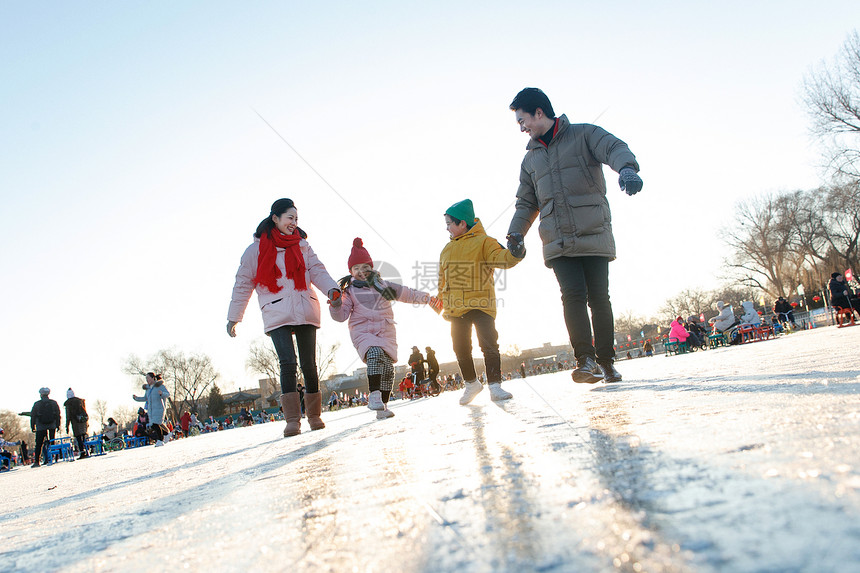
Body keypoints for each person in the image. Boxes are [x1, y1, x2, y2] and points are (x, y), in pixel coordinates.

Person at [506, 88, 643, 384]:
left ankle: (607, 362)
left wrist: (627, 170)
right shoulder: (530, 161)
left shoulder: (584, 134)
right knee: (572, 296)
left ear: (539, 112)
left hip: (592, 229)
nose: (522, 127)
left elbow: (614, 148)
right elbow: (526, 203)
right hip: (557, 239)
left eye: (522, 120)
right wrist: (516, 233)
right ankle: (586, 360)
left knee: (599, 298)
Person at [227, 198, 341, 437]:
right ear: (275, 218)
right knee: (288, 363)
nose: (294, 223)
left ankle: (314, 415)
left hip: (304, 306)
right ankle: (292, 420)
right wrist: (234, 317)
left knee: (309, 364)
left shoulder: (302, 245)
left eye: (297, 219)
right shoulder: (254, 251)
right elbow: (243, 284)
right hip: (276, 309)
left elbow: (317, 270)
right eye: (290, 218)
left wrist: (332, 289)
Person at [330, 238, 440, 420]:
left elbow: (406, 293)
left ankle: (383, 407)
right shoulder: (348, 292)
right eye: (356, 268)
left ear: (371, 268)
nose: (361, 272)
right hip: (362, 332)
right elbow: (340, 315)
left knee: (388, 369)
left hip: (386, 331)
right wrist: (335, 304)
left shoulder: (383, 285)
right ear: (350, 271)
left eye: (365, 267)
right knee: (374, 354)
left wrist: (427, 298)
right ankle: (374, 395)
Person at [439, 199, 523, 404]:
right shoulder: (446, 250)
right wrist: (440, 301)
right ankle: (471, 384)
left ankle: (495, 386)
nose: (447, 228)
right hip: (456, 308)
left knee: (488, 344)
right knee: (460, 348)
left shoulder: (484, 242)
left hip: (481, 304)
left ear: (462, 224)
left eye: (450, 223)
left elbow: (503, 258)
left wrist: (516, 252)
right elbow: (443, 280)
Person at [132, 372, 170, 446]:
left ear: (153, 378)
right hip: (151, 410)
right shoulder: (148, 389)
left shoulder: (160, 386)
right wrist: (136, 398)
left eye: (149, 378)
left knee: (156, 424)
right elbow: (145, 398)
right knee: (152, 425)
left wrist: (162, 393)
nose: (147, 380)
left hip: (159, 408)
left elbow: (167, 394)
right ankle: (166, 433)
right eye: (146, 379)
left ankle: (160, 440)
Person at [30, 387, 60, 468]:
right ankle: (54, 457)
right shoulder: (54, 403)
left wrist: (33, 426)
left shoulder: (37, 404)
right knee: (52, 441)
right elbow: (57, 414)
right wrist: (58, 424)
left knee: (39, 443)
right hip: (52, 425)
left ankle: (37, 461)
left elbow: (33, 415)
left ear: (41, 394)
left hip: (41, 426)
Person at [63, 388, 90, 459]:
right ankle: (87, 451)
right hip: (83, 421)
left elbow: (68, 416)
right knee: (84, 437)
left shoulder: (68, 403)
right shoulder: (81, 401)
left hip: (75, 422)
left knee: (78, 438)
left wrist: (67, 426)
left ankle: (82, 452)